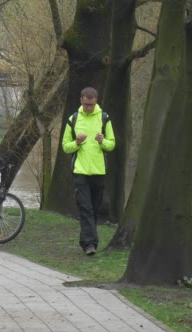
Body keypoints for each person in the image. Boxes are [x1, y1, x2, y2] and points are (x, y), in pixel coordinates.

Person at [62, 87, 115, 256]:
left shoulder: (104, 118)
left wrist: (102, 141)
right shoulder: (73, 119)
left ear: (96, 101)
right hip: (81, 172)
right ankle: (89, 245)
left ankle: (88, 240)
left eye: (91, 105)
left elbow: (112, 144)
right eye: (86, 105)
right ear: (81, 101)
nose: (89, 108)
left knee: (93, 208)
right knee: (85, 208)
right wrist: (76, 143)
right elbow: (65, 147)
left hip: (99, 172)